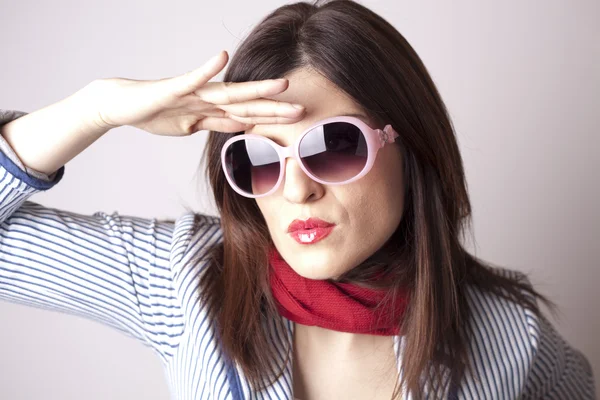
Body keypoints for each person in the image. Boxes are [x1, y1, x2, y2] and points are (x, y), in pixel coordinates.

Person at [0, 0, 596, 399]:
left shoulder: (511, 337)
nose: (295, 189)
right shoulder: (182, 280)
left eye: (334, 147)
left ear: (410, 146)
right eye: (258, 159)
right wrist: (96, 109)